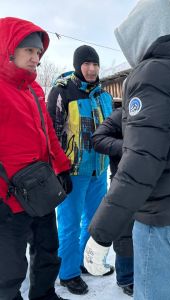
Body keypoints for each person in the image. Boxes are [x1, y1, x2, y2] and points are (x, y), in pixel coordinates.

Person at [82, 0, 170, 299]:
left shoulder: (154, 73)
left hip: (166, 216)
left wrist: (101, 232)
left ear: (143, 33)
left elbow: (141, 161)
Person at [0, 17, 72, 300]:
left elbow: (49, 135)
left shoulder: (34, 89)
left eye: (38, 52)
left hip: (40, 188)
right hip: (8, 197)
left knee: (47, 249)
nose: (36, 57)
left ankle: (44, 295)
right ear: (8, 49)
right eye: (29, 50)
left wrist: (62, 169)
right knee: (8, 267)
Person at [46, 45, 113, 295]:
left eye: (95, 64)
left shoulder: (104, 96)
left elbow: (114, 131)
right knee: (70, 224)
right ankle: (68, 273)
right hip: (72, 172)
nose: (92, 68)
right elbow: (50, 133)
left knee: (95, 222)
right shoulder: (63, 92)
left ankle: (85, 262)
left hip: (99, 170)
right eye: (86, 64)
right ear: (77, 66)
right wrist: (58, 170)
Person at [92, 103, 134, 297]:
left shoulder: (157, 112)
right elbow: (98, 139)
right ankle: (126, 277)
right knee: (124, 231)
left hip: (151, 183)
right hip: (123, 181)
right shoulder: (120, 114)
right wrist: (125, 147)